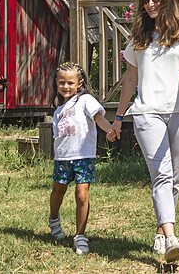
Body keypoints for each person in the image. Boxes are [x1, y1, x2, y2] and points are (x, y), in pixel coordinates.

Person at [112, 0, 179, 264]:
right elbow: (130, 79)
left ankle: (161, 229)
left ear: (167, 0)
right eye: (146, 0)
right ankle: (171, 238)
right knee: (162, 174)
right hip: (148, 111)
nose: (150, 4)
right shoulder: (139, 37)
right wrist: (118, 118)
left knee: (174, 177)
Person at [48, 62, 116, 255]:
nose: (66, 86)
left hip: (84, 157)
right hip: (63, 158)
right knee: (58, 190)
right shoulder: (58, 111)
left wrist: (109, 129)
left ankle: (80, 236)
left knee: (82, 194)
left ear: (79, 83)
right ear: (56, 83)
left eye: (70, 83)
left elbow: (98, 118)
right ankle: (54, 219)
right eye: (61, 82)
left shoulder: (86, 100)